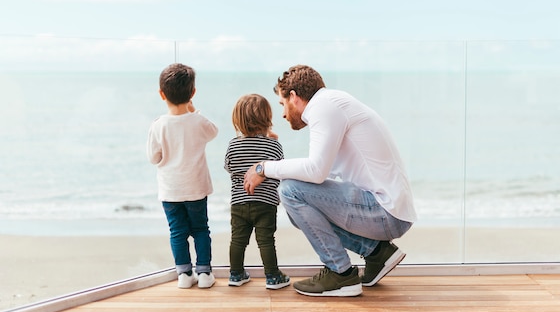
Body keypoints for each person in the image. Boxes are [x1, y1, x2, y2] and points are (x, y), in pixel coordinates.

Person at [243, 65, 417, 297]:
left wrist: (264, 168)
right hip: (389, 209)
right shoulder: (333, 103)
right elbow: (322, 174)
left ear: (293, 97)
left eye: (282, 104)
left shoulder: (323, 107)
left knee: (290, 191)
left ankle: (341, 274)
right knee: (299, 209)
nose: (283, 114)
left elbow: (315, 171)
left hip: (384, 211)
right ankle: (376, 252)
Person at [147, 63, 218, 289]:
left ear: (161, 94)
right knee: (200, 229)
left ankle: (184, 275)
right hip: (196, 188)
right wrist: (194, 110)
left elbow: (153, 157)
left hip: (171, 190)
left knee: (177, 231)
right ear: (193, 94)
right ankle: (205, 273)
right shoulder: (197, 121)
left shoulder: (158, 125)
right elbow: (214, 131)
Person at [224, 94, 290, 290]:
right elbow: (279, 169)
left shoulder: (233, 144)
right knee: (266, 241)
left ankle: (235, 274)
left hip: (239, 202)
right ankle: (272, 277)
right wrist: (272, 141)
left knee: (237, 240)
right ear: (267, 120)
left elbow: (228, 166)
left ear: (238, 120)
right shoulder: (273, 145)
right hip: (266, 203)